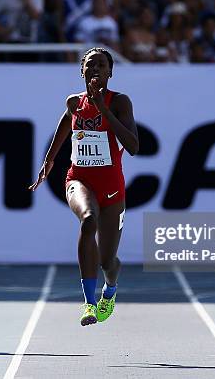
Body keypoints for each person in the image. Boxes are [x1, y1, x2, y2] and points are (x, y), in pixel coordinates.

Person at [29, 47, 139, 326]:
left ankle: (110, 289)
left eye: (102, 65)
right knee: (88, 220)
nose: (95, 70)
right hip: (78, 179)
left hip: (112, 189)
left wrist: (104, 110)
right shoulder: (73, 103)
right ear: (82, 71)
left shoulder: (120, 102)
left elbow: (134, 146)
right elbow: (64, 125)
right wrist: (49, 160)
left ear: (110, 72)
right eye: (90, 65)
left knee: (108, 262)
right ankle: (89, 303)